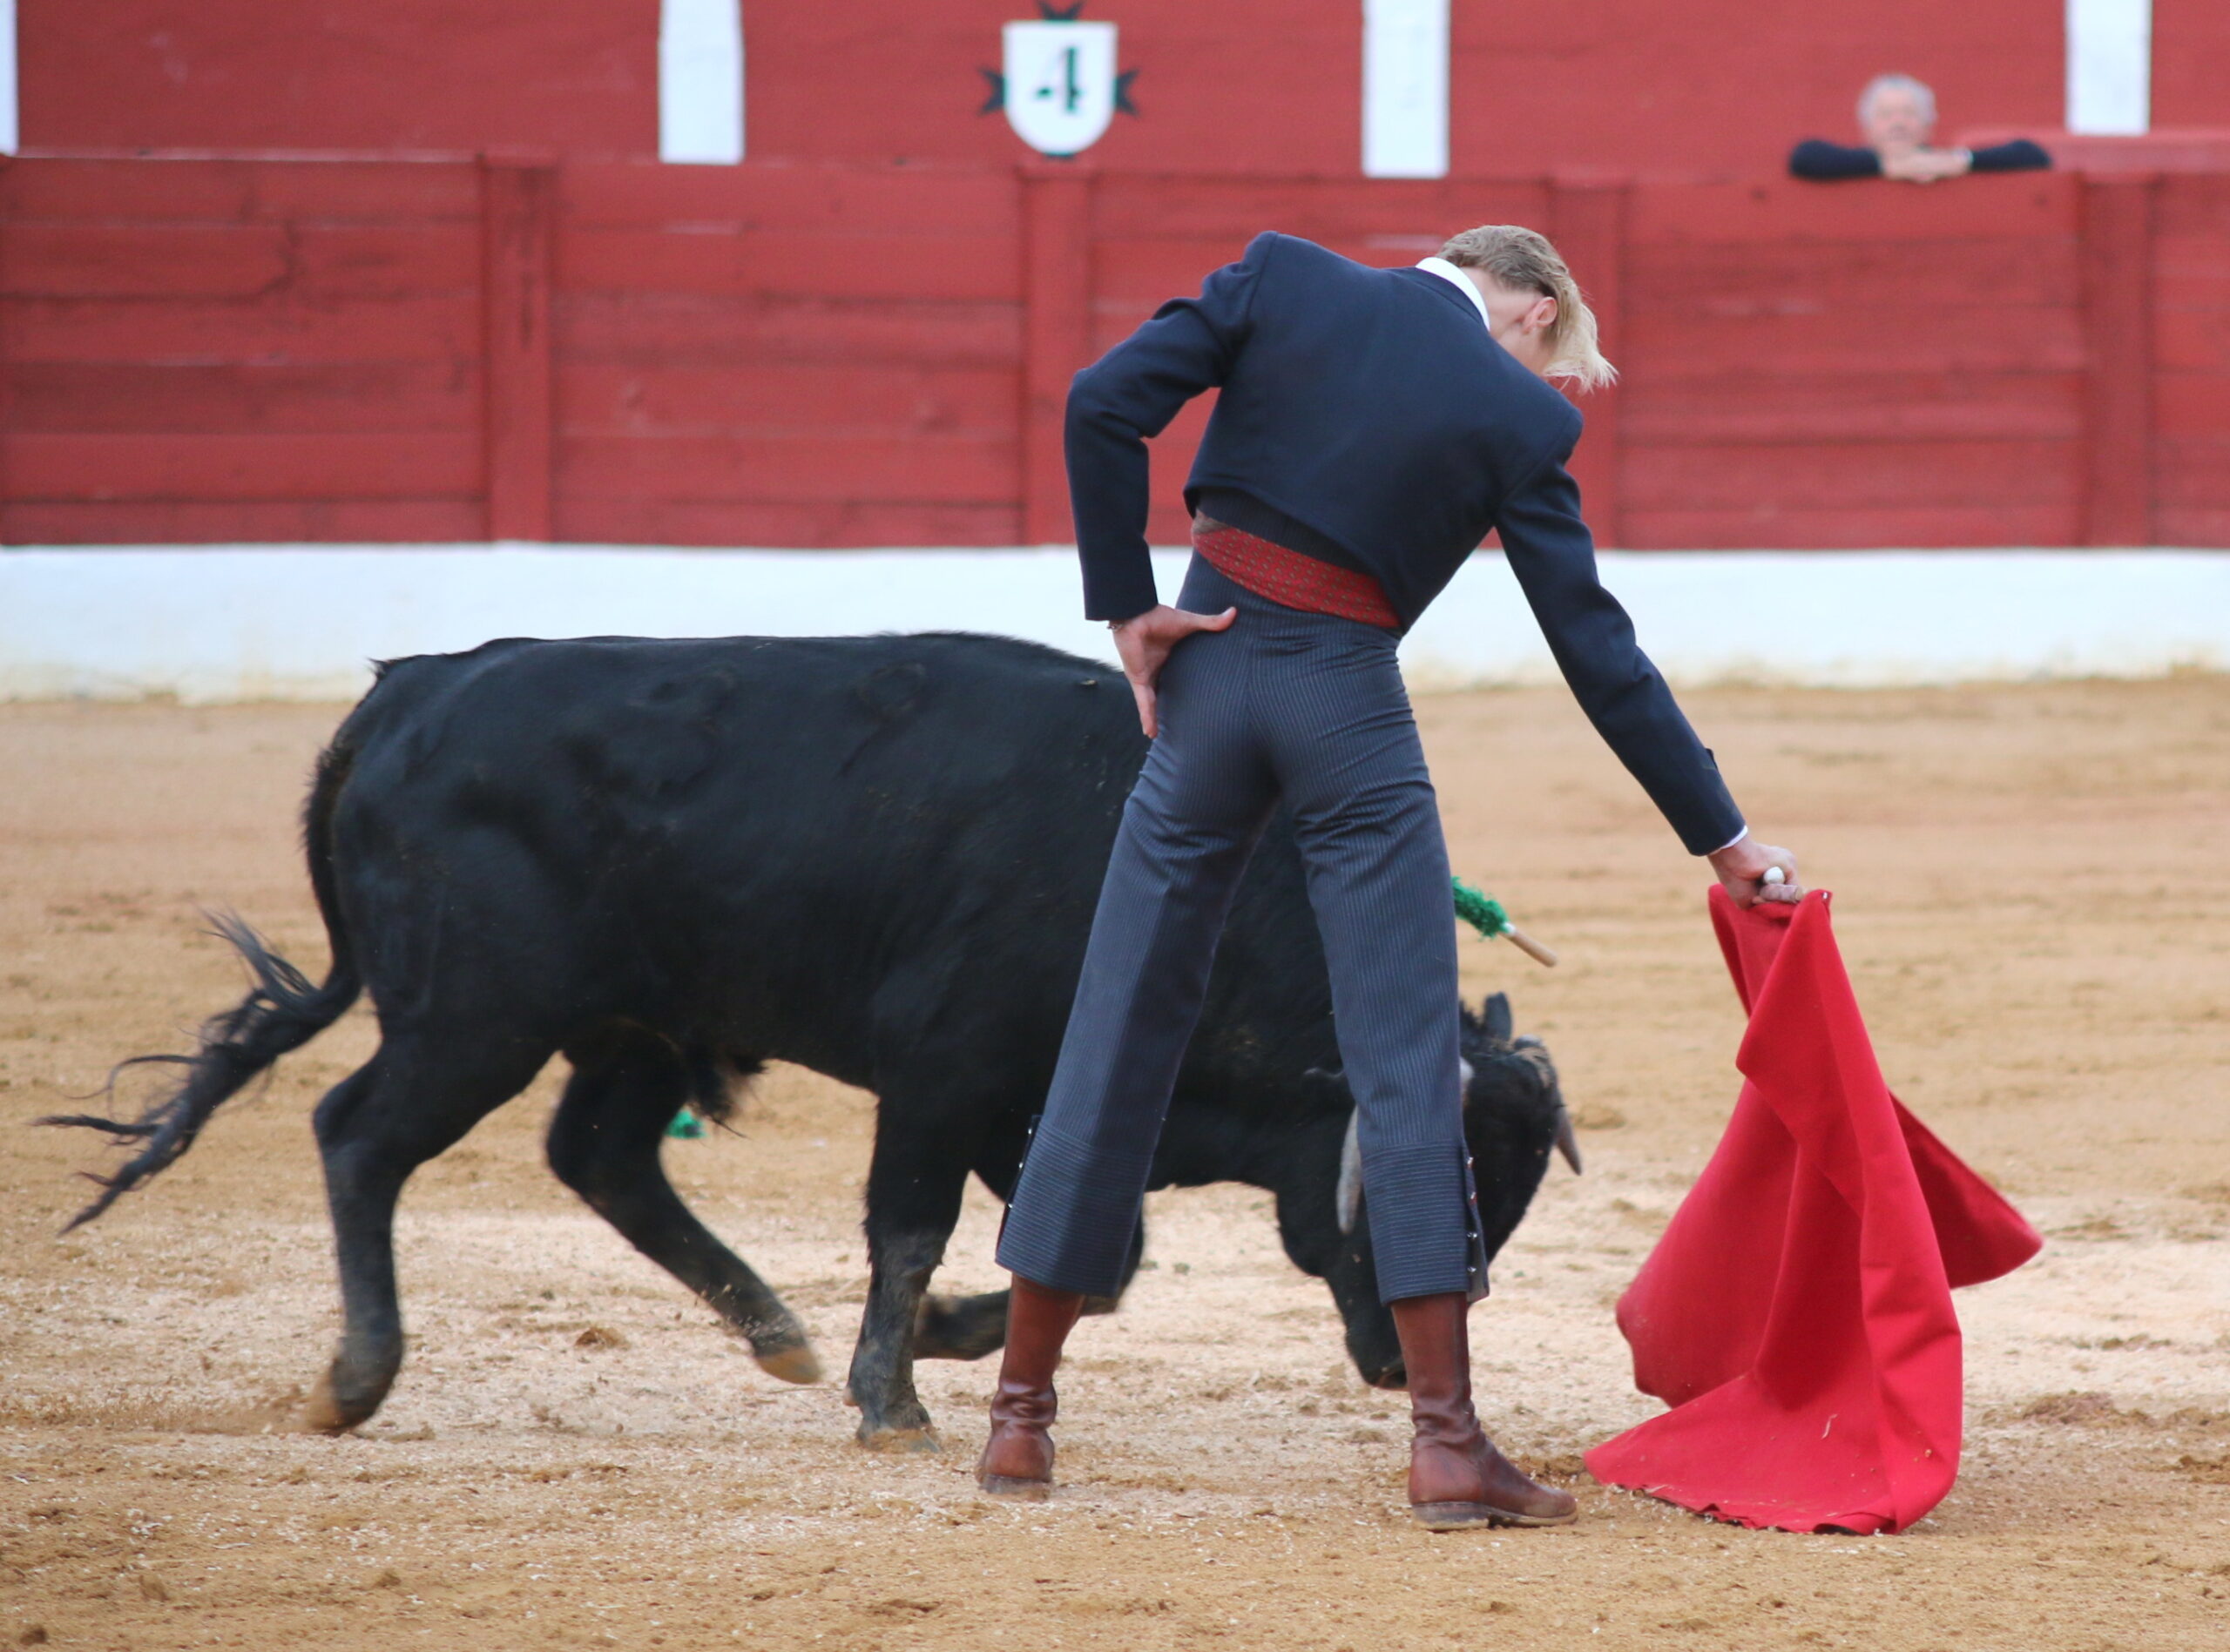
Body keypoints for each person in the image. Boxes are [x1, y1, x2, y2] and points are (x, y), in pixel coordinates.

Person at [977, 225, 1802, 1530]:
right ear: (1530, 305)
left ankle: (1019, 1421)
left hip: (1205, 681)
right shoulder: (1517, 412)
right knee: (1407, 1058)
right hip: (1345, 710)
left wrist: (1125, 601)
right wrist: (1723, 835)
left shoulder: (1283, 276)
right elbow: (1600, 654)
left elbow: (1100, 404)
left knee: (1116, 1028)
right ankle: (1445, 1443)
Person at [1791, 72, 2050, 183]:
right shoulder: (1849, 164)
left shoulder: (1947, 162)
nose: (1898, 123)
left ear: (1928, 126)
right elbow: (1804, 156)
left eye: (1909, 113)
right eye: (1886, 115)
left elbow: (2033, 155)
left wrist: (1961, 161)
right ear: (1867, 128)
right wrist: (1886, 166)